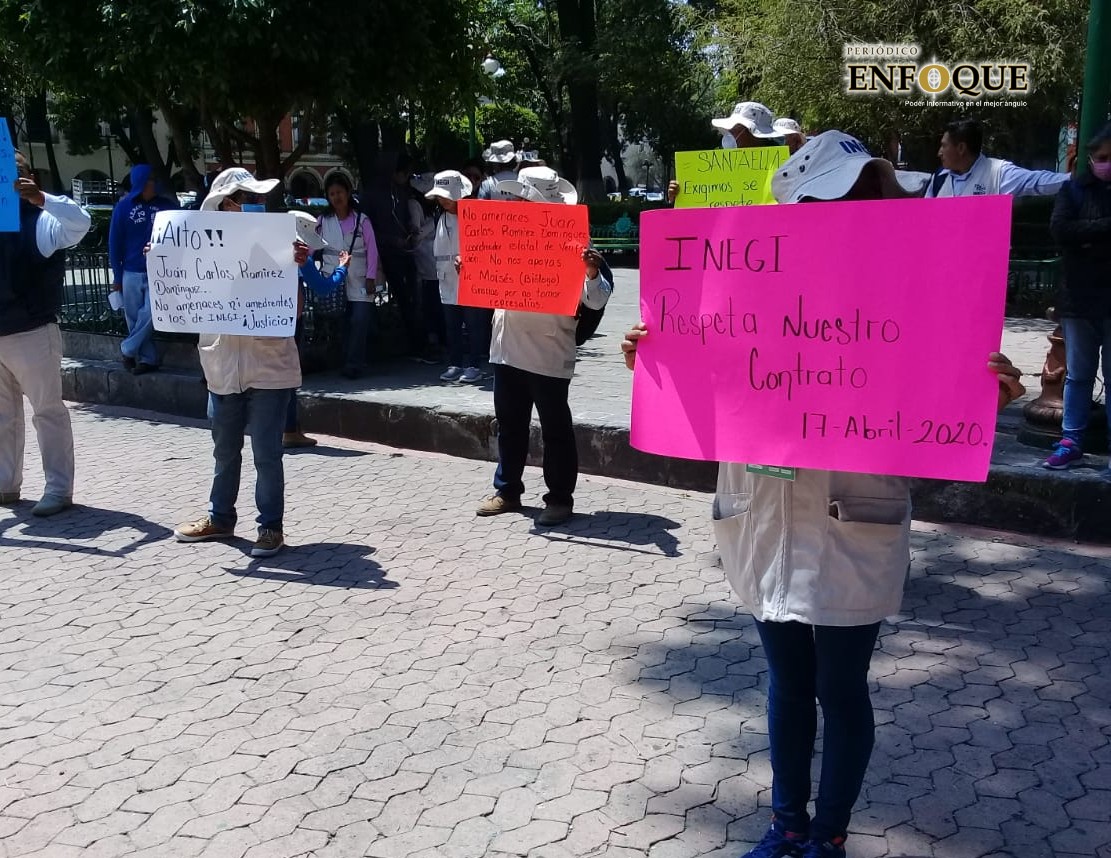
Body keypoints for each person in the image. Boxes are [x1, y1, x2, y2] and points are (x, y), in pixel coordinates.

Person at [621, 131, 1027, 858]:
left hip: (854, 517)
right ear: (793, 209)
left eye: (860, 198)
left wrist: (981, 389)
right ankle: (785, 826)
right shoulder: (741, 280)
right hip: (761, 511)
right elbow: (701, 381)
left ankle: (828, 834)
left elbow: (931, 400)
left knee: (840, 687)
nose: (845, 213)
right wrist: (655, 353)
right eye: (827, 200)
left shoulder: (914, 287)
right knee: (785, 680)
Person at [172, 167, 347, 557]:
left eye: (255, 199)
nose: (253, 205)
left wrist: (297, 266)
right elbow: (180, 299)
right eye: (243, 199)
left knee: (267, 453)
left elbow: (296, 309)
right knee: (224, 450)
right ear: (222, 205)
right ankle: (220, 518)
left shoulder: (279, 246)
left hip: (269, 365)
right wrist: (164, 260)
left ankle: (270, 528)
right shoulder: (196, 248)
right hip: (221, 368)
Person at [476, 167, 612, 526]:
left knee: (554, 428)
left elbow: (596, 302)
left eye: (523, 198)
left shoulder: (573, 243)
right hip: (507, 348)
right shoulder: (505, 236)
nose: (516, 203)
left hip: (549, 352)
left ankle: (560, 499)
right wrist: (471, 272)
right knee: (509, 424)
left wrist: (592, 273)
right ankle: (507, 490)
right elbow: (486, 282)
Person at [0, 152, 91, 516]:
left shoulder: (41, 221)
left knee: (47, 412)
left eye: (15, 172)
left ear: (30, 177)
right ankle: (6, 484)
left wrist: (40, 199)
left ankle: (58, 488)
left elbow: (79, 223)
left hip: (32, 332)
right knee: (3, 415)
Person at [1042, 121, 1111, 470]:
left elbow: (1074, 235)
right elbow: (1061, 231)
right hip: (1078, 299)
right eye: (1101, 157)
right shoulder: (1073, 191)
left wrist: (1086, 239)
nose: (1105, 163)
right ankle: (1071, 441)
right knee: (1078, 375)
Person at [284, 212, 351, 449]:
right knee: (288, 377)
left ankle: (282, 428)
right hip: (291, 322)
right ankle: (289, 430)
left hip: (268, 321)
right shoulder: (301, 257)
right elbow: (323, 287)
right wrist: (342, 269)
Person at [108, 164, 177, 374]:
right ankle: (148, 359)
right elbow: (114, 243)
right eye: (150, 179)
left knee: (152, 312)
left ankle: (127, 349)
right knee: (133, 317)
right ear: (141, 182)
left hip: (160, 270)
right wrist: (117, 276)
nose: (154, 183)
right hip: (131, 271)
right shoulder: (123, 207)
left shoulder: (167, 206)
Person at [425, 170, 485, 383]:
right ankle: (455, 362)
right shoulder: (440, 217)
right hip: (447, 278)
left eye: (446, 196)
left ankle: (475, 364)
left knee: (473, 323)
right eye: (440, 197)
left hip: (470, 278)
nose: (442, 200)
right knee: (452, 324)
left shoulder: (474, 215)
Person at [317, 172, 378, 379]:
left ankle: (354, 363)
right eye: (332, 193)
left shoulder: (362, 220)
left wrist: (371, 276)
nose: (336, 197)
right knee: (341, 321)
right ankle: (345, 360)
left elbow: (372, 250)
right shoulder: (323, 221)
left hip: (360, 279)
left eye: (339, 192)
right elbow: (310, 245)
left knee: (359, 320)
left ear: (348, 192)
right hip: (334, 277)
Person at [925, 118, 1071, 198]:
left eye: (944, 146)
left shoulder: (997, 173)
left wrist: (1071, 179)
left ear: (961, 148)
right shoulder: (938, 178)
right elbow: (926, 218)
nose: (939, 153)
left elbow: (1036, 182)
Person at [668, 101, 780, 204]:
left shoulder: (781, 167)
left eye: (736, 129)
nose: (730, 133)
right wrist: (679, 196)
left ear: (753, 134)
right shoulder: (715, 167)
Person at [409, 172, 445, 361]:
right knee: (429, 301)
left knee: (434, 301)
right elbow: (415, 233)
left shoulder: (435, 208)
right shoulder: (415, 205)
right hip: (423, 257)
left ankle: (437, 338)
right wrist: (431, 226)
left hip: (434, 258)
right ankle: (432, 339)